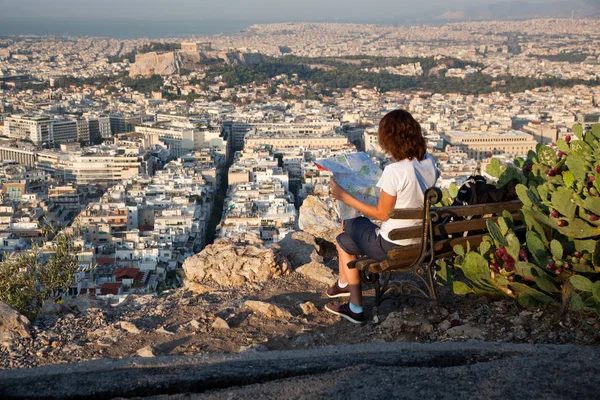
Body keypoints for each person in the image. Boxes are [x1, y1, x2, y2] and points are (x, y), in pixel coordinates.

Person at [324, 109, 439, 324]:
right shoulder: (429, 163)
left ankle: (355, 305)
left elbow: (382, 214)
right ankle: (344, 286)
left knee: (346, 228)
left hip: (391, 245)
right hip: (423, 240)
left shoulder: (395, 171)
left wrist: (344, 196)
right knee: (345, 237)